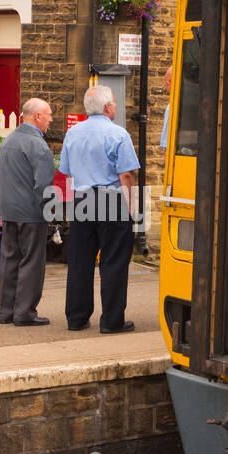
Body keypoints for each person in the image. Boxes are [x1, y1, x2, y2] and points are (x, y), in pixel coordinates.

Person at [59, 86, 140, 333]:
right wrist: (133, 208)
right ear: (107, 107)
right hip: (111, 200)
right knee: (113, 262)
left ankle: (77, 317)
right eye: (114, 103)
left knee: (79, 262)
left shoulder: (72, 133)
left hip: (82, 200)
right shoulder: (119, 134)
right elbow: (126, 174)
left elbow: (67, 171)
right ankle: (111, 321)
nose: (115, 106)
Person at [0, 97, 55, 326]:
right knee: (32, 262)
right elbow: (44, 185)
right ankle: (24, 313)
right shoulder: (39, 145)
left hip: (8, 211)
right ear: (37, 117)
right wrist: (49, 212)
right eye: (48, 114)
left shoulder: (7, 142)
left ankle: (6, 312)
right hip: (31, 212)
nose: (51, 119)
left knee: (9, 260)